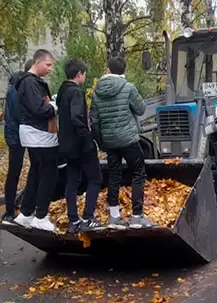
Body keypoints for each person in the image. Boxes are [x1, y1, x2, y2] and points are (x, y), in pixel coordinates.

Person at [90, 56, 154, 229]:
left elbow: (94, 121)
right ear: (123, 71)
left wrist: (101, 142)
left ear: (108, 70)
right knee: (138, 173)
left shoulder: (97, 92)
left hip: (110, 142)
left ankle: (114, 217)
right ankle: (137, 217)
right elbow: (141, 109)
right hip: (128, 140)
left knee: (113, 175)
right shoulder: (128, 88)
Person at [12, 49, 60, 232]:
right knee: (48, 174)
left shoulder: (28, 83)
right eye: (48, 65)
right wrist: (54, 106)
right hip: (40, 134)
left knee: (36, 173)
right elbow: (40, 110)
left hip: (35, 134)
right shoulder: (30, 83)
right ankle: (40, 215)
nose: (49, 69)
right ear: (37, 62)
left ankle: (25, 213)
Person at [57, 59, 104, 233]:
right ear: (79, 74)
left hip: (67, 146)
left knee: (72, 181)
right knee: (95, 178)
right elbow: (77, 118)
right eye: (84, 74)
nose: (84, 76)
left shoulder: (62, 92)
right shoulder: (76, 92)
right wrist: (88, 139)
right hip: (81, 145)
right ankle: (88, 218)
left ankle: (73, 221)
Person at [1, 59, 33, 225]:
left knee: (31, 169)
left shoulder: (18, 86)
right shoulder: (18, 89)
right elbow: (21, 113)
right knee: (15, 172)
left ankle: (21, 204)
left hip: (19, 133)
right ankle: (10, 210)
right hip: (17, 135)